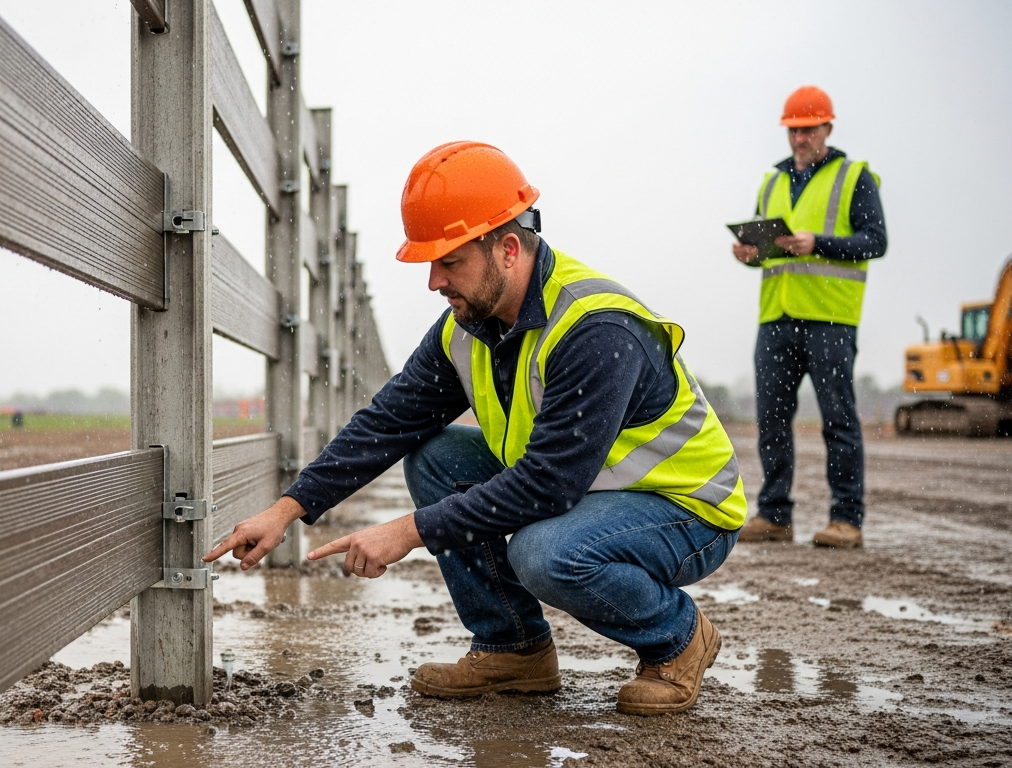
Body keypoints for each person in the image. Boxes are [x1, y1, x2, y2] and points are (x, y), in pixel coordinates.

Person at [204, 142, 747, 716]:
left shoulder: (596, 328)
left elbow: (548, 485)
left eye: (450, 261)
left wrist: (407, 532)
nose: (434, 281)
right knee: (435, 457)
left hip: (684, 508)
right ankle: (514, 649)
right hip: (595, 490)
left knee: (543, 554)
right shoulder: (467, 324)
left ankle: (678, 638)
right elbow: (389, 421)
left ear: (508, 249)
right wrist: (288, 507)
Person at [731, 86, 887, 549]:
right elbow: (768, 251)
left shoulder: (853, 176)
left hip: (830, 319)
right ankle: (775, 514)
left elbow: (875, 241)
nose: (799, 139)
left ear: (828, 128)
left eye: (808, 129)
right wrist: (748, 255)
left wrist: (817, 242)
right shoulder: (772, 182)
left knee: (838, 418)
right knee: (771, 420)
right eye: (793, 130)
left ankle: (846, 519)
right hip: (776, 318)